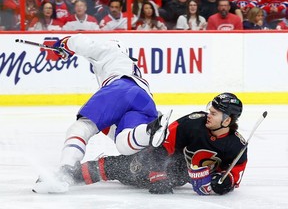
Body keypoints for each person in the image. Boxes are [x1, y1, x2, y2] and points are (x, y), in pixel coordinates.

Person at [32, 34, 172, 193]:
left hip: (120, 88)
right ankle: (149, 131)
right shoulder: (133, 70)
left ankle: (66, 169)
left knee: (82, 126)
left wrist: (64, 45)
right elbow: (111, 129)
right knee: (124, 144)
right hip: (145, 100)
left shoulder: (112, 52)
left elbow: (81, 42)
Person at [34, 93, 247, 196]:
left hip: (179, 175)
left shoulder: (237, 146)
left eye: (214, 113)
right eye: (210, 110)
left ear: (227, 120)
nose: (208, 115)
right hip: (159, 165)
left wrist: (224, 183)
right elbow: (161, 145)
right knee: (118, 167)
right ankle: (68, 174)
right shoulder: (192, 123)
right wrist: (158, 174)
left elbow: (233, 175)